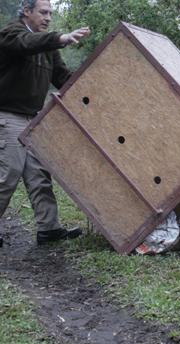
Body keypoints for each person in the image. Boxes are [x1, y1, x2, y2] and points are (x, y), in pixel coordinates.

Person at [0, 0, 91, 247]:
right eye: (43, 12)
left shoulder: (47, 47)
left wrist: (92, 89)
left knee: (39, 175)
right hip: (8, 116)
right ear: (26, 11)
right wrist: (59, 37)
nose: (48, 17)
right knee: (7, 175)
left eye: (51, 13)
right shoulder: (12, 34)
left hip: (33, 118)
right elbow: (26, 44)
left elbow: (62, 77)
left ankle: (49, 229)